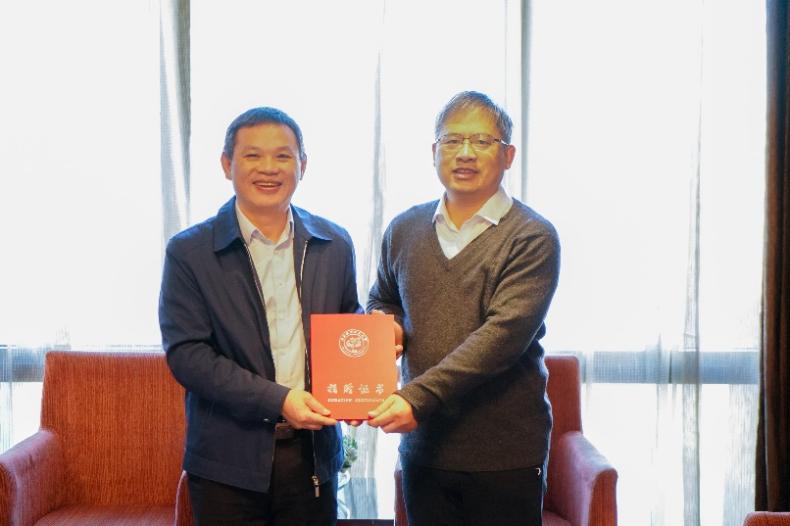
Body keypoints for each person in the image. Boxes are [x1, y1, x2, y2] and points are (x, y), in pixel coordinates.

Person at [159, 106, 361, 525]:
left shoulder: (334, 244)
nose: (269, 168)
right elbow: (188, 356)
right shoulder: (190, 252)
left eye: (283, 156)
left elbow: (347, 320)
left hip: (312, 456)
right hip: (226, 462)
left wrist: (368, 358)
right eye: (253, 155)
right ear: (226, 164)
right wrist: (279, 400)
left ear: (302, 165)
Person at [366, 91, 561, 525]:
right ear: (434, 152)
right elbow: (382, 298)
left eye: (482, 141)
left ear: (507, 155)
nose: (465, 153)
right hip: (425, 447)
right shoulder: (404, 229)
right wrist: (387, 326)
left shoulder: (532, 236)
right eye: (452, 140)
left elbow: (501, 338)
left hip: (504, 452)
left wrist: (415, 399)